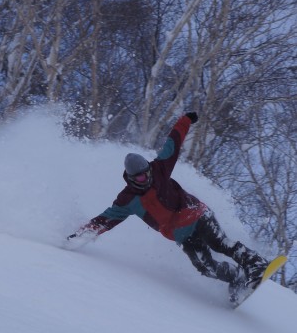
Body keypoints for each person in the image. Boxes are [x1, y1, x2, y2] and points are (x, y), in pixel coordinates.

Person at [66, 112, 268, 301]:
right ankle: (237, 278)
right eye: (141, 177)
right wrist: (80, 235)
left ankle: (255, 264)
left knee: (220, 244)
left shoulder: (159, 168)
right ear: (131, 178)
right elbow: (105, 220)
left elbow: (173, 142)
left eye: (147, 173)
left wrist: (185, 120)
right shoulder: (127, 199)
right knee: (205, 267)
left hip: (197, 216)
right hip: (182, 236)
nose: (146, 178)